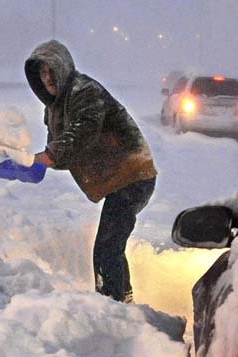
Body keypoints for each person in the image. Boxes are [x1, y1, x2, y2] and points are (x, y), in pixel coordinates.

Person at [25, 40, 157, 304]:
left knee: (107, 246)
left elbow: (82, 134)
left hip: (133, 175)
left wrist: (47, 157)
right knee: (111, 246)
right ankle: (123, 300)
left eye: (52, 70)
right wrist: (32, 163)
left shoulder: (84, 91)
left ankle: (112, 306)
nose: (48, 77)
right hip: (120, 179)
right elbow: (68, 151)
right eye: (42, 72)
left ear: (64, 68)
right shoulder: (55, 107)